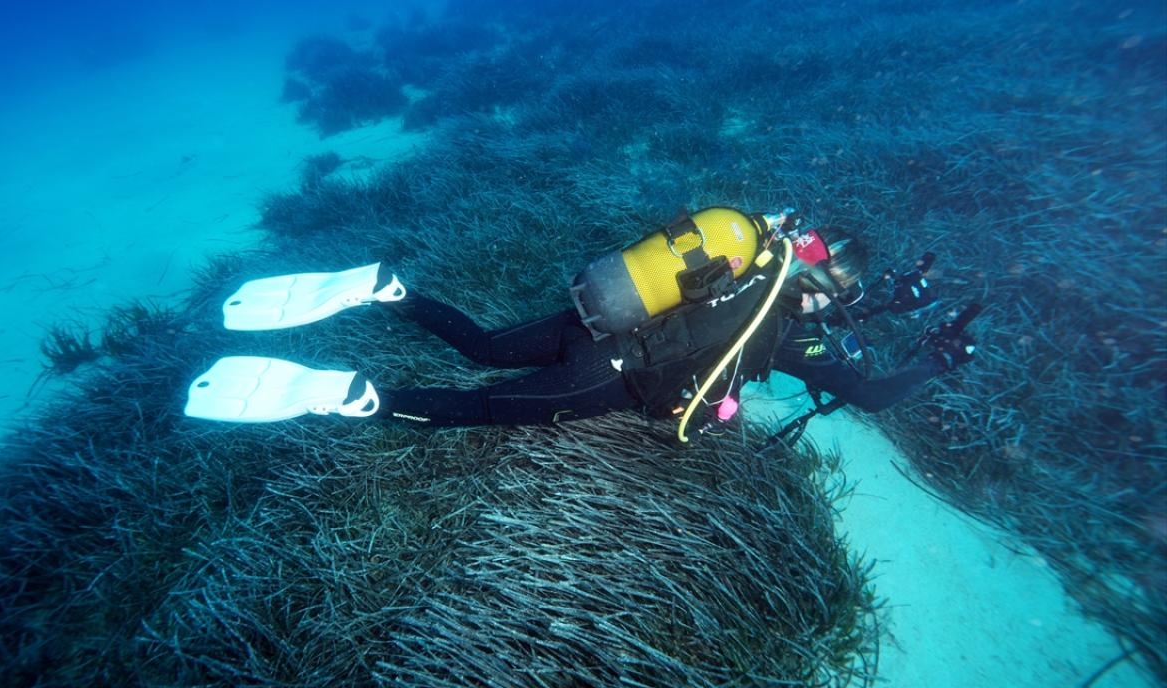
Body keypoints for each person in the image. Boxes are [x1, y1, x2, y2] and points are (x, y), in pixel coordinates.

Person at [184, 209, 976, 441]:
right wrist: (938, 361)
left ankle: (394, 294)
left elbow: (814, 303)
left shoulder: (756, 260)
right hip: (607, 378)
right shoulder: (791, 335)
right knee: (491, 408)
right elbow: (868, 394)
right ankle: (366, 399)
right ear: (830, 286)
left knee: (486, 346)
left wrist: (892, 301)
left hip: (594, 323)